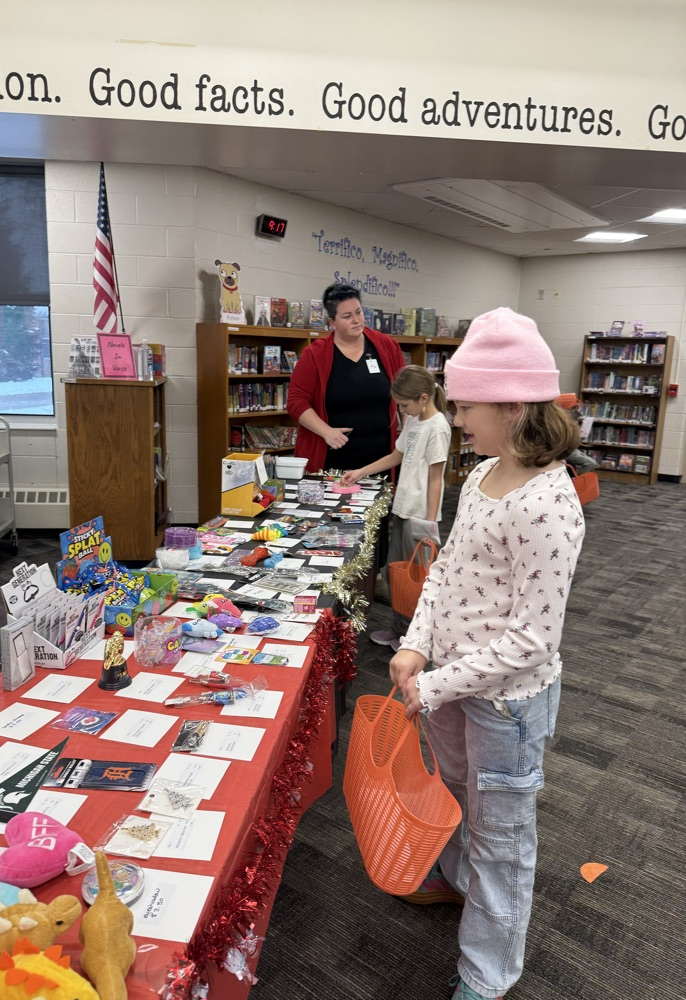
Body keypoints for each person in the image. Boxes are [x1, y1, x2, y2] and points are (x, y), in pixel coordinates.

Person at [389, 307, 585, 1000]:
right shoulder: (480, 477)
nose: (456, 416)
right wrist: (417, 646)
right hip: (450, 683)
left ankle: (487, 972)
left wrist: (437, 684)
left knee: (503, 839)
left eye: (466, 404)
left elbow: (534, 638)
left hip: (507, 704)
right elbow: (444, 571)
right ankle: (454, 877)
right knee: (455, 795)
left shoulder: (548, 504)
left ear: (511, 403)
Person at [340, 365, 452, 651]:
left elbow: (436, 478)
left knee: (415, 579)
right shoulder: (415, 420)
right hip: (403, 509)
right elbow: (396, 456)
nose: (401, 409)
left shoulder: (438, 427)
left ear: (423, 398)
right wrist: (360, 472)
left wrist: (429, 523)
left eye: (404, 404)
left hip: (420, 516)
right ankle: (399, 628)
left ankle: (415, 638)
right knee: (395, 573)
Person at [286, 283, 405, 472]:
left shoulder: (387, 346)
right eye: (347, 316)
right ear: (332, 322)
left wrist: (408, 432)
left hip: (381, 456)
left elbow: (406, 391)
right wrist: (326, 432)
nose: (356, 320)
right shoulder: (315, 354)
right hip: (334, 456)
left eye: (359, 312)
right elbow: (296, 401)